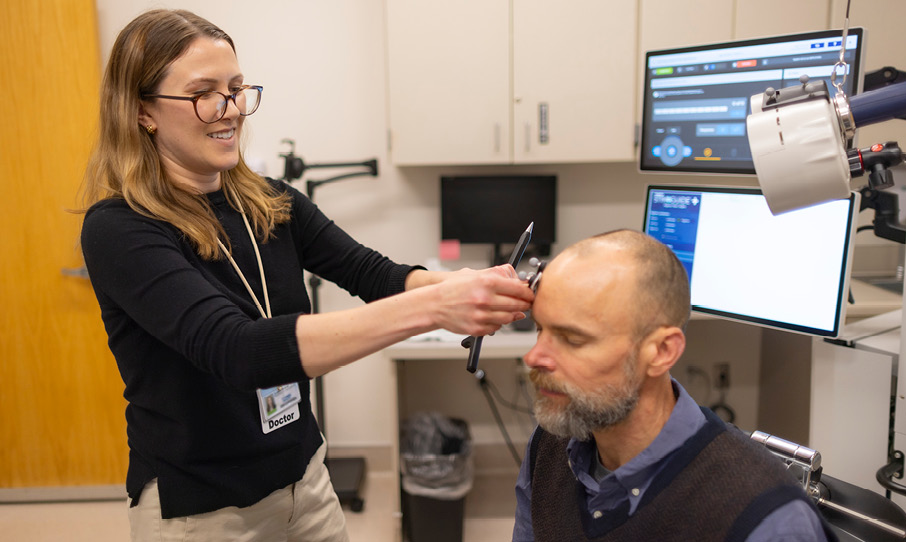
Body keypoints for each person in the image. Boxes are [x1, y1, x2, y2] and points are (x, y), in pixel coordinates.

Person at [78, 9, 532, 542]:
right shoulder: (120, 228)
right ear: (142, 111)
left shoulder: (271, 202)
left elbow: (374, 274)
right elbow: (237, 350)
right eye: (205, 93)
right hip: (203, 509)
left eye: (237, 88)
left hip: (304, 480)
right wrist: (435, 309)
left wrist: (465, 285)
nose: (231, 110)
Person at [513, 230, 836, 541]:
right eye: (540, 329)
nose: (534, 357)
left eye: (572, 339)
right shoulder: (551, 446)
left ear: (662, 352)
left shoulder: (764, 519)